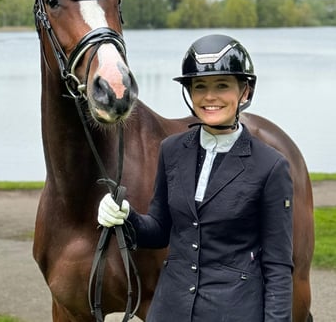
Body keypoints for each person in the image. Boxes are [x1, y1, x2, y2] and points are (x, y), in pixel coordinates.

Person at [98, 34, 294, 321]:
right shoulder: (172, 150)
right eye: (200, 86)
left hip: (234, 311)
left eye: (222, 86)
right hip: (170, 309)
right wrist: (126, 217)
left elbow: (277, 264)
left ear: (245, 92)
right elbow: (159, 231)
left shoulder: (271, 166)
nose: (209, 96)